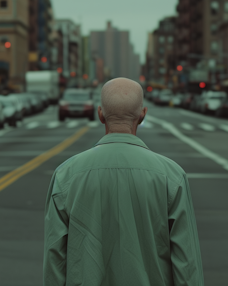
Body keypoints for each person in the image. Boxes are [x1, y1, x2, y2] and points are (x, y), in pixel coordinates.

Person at [43, 77, 204, 286]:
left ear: (101, 114)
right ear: (142, 115)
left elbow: (54, 258)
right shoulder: (172, 177)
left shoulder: (65, 175)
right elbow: (187, 264)